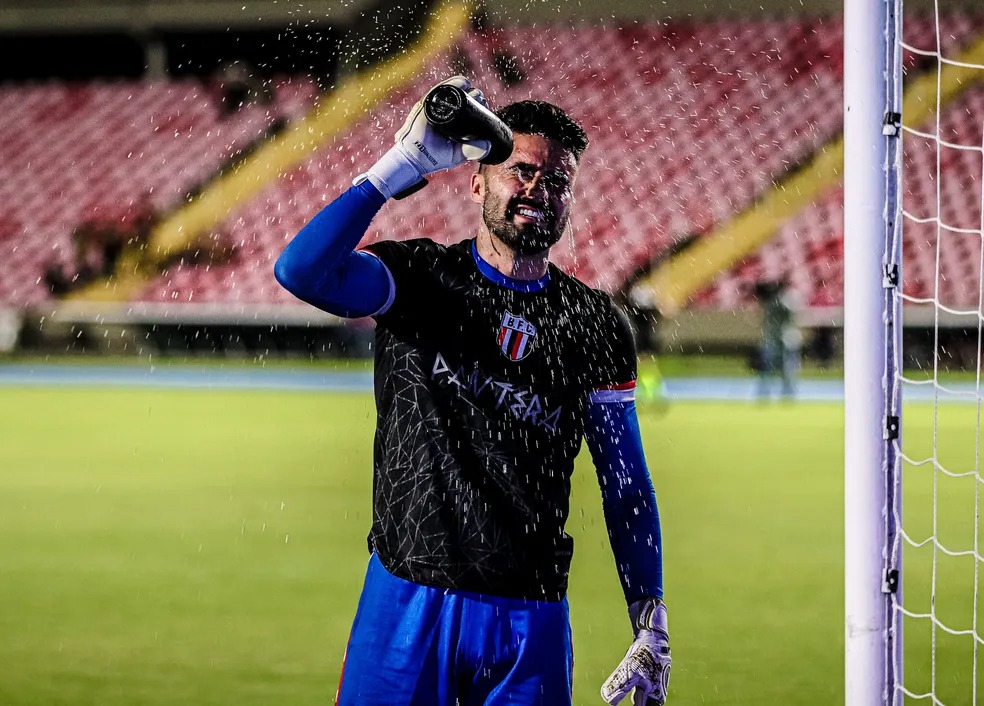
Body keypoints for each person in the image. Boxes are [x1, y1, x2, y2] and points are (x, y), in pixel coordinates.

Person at [275, 76, 670, 706]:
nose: (538, 188)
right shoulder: (421, 279)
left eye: (558, 180)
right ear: (477, 179)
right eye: (520, 171)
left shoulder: (594, 324)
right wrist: (398, 166)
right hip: (405, 597)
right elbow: (300, 271)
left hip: (528, 616)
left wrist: (651, 618)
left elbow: (625, 484)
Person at [753, 276, 801, 399]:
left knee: (784, 367)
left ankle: (786, 391)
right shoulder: (777, 301)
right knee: (771, 367)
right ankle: (768, 391)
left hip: (785, 339)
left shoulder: (783, 301)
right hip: (777, 339)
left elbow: (788, 315)